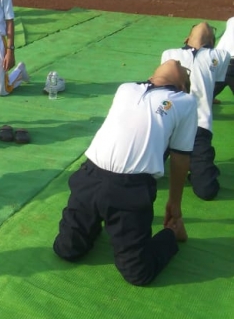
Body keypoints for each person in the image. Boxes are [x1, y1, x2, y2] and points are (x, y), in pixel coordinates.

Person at [53, 59, 197, 286]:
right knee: (66, 249)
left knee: (138, 273)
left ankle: (171, 234)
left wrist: (174, 204)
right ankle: (97, 221)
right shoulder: (127, 88)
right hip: (90, 176)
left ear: (181, 85)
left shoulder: (185, 102)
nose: (177, 61)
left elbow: (180, 157)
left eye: (183, 70)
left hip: (130, 190)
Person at [161, 22, 230, 201]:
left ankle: (197, 167)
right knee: (145, 173)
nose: (204, 25)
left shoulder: (220, 55)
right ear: (186, 38)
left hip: (198, 127)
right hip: (168, 124)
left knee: (207, 191)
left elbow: (213, 83)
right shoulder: (169, 53)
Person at [213, 17, 234, 101]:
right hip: (231, 62)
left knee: (222, 78)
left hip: (217, 57)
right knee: (228, 75)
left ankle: (209, 97)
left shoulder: (231, 19)